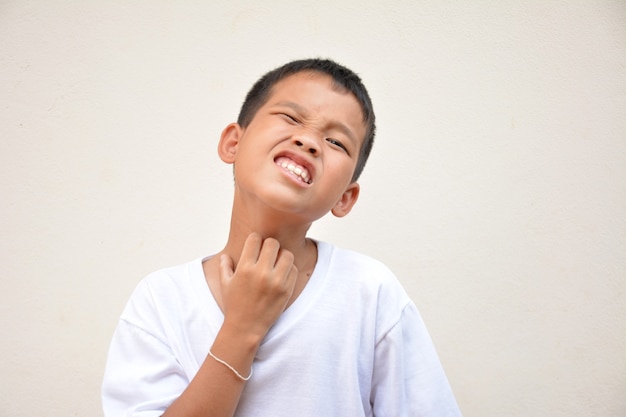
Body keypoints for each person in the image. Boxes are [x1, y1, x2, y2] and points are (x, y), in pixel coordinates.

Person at [102, 58, 462, 417]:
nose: (308, 141)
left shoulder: (371, 292)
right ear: (233, 143)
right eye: (291, 118)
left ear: (345, 198)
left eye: (336, 141)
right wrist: (242, 329)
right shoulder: (161, 300)